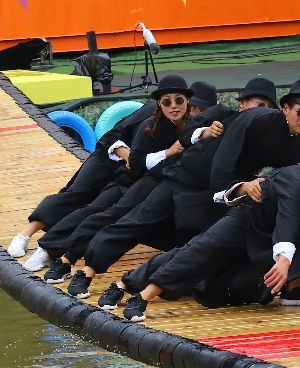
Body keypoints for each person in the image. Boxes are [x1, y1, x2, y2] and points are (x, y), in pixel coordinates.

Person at [66, 79, 300, 302]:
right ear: (285, 108)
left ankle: (158, 286)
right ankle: (87, 271)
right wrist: (234, 189)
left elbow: (294, 179)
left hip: (220, 192)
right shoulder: (251, 119)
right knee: (138, 220)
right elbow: (220, 160)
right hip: (190, 178)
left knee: (200, 244)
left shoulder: (295, 144)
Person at [112, 135, 300, 323]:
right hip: (249, 219)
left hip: (275, 236)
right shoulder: (298, 180)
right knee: (200, 251)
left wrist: (295, 262)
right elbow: (288, 217)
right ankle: (140, 293)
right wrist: (283, 258)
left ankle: (295, 289)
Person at [38, 79, 272, 284]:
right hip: (151, 179)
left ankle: (183, 281)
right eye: (256, 105)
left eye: (266, 108)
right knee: (114, 213)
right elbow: (146, 152)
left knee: (187, 234)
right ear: (242, 103)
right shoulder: (211, 118)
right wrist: (196, 137)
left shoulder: (262, 137)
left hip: (194, 193)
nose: (175, 106)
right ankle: (66, 256)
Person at [8, 73, 193, 269]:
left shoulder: (191, 125)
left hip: (134, 173)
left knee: (100, 209)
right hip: (109, 158)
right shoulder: (149, 116)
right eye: (167, 101)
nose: (174, 105)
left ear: (188, 103)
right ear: (159, 103)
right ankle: (26, 235)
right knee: (76, 195)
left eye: (180, 101)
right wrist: (131, 158)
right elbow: (111, 137)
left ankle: (55, 248)